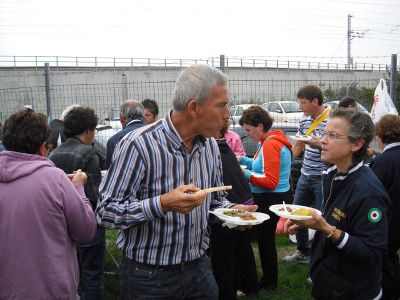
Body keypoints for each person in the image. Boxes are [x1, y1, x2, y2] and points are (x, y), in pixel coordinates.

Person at [96, 64, 257, 300]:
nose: (227, 115)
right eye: (222, 105)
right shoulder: (138, 145)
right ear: (194, 108)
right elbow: (105, 212)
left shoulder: (210, 145)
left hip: (199, 270)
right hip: (149, 277)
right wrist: (162, 204)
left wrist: (231, 212)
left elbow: (214, 199)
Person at [284, 108, 390, 299]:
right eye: (324, 133)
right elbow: (339, 217)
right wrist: (306, 219)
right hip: (332, 281)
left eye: (332, 135)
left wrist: (326, 229)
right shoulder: (334, 173)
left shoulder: (368, 193)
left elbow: (373, 253)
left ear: (356, 144)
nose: (322, 140)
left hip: (356, 290)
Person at [0, 109, 96, 300]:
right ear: (43, 147)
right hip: (51, 291)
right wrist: (78, 189)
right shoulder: (54, 179)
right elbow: (85, 231)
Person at [49, 106, 105, 300]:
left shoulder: (53, 154)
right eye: (94, 130)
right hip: (87, 223)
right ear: (88, 130)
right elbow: (94, 195)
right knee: (92, 274)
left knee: (73, 273)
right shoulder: (89, 153)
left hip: (62, 225)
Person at [238, 105, 293, 290]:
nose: (247, 134)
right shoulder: (268, 139)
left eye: (248, 130)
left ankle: (270, 282)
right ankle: (269, 279)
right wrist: (243, 159)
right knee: (264, 239)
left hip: (271, 198)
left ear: (260, 126)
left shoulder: (270, 144)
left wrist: (244, 173)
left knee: (265, 241)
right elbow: (259, 165)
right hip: (273, 196)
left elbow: (270, 181)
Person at [209, 120, 259, 299]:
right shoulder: (224, 146)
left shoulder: (213, 150)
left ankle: (230, 291)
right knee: (243, 250)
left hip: (228, 210)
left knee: (224, 259)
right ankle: (250, 286)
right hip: (241, 202)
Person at [283, 85, 329, 263]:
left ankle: (321, 258)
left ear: (315, 101)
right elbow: (299, 145)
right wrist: (284, 165)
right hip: (305, 174)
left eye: (303, 102)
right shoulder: (303, 120)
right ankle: (303, 251)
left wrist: (321, 145)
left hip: (323, 176)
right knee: (297, 213)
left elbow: (335, 148)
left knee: (321, 218)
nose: (300, 106)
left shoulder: (332, 119)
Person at [371, 114, 400, 300]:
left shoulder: (383, 162)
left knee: (386, 262)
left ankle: (391, 294)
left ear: (380, 135)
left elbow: (373, 194)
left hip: (390, 222)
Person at [106, 100, 146, 168]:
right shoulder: (156, 134)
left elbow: (110, 170)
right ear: (143, 115)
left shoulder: (114, 140)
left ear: (121, 118)